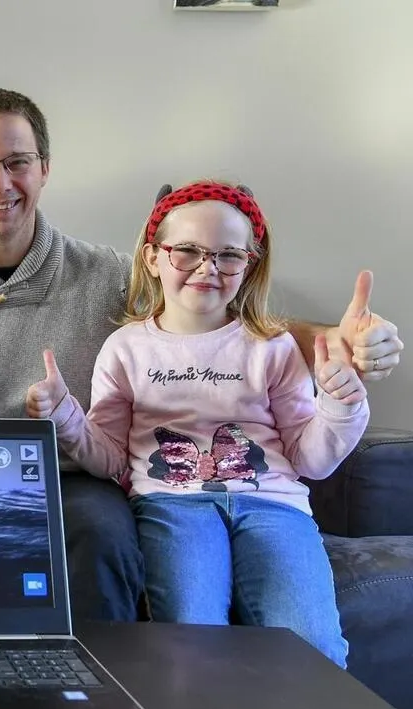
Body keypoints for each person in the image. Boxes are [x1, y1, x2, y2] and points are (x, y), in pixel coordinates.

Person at [0, 88, 403, 622]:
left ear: (44, 169)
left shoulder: (108, 274)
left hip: (74, 479)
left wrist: (337, 339)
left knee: (103, 540)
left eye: (17, 162)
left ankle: (92, 679)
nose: (0, 183)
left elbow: (225, 323)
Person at [28, 180, 366, 666]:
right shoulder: (126, 348)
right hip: (172, 505)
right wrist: (64, 414)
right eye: (187, 251)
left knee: (317, 649)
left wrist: (340, 404)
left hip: (274, 507)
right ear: (153, 258)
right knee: (191, 639)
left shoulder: (272, 347)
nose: (208, 268)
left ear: (249, 265)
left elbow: (311, 459)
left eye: (228, 255)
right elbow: (109, 458)